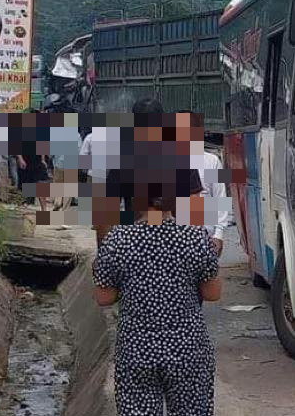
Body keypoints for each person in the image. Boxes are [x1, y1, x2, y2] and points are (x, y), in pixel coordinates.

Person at [92, 168, 221, 416]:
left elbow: (103, 297)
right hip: (188, 351)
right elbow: (213, 293)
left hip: (136, 351)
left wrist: (124, 284)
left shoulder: (118, 240)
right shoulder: (196, 237)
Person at [179, 109, 228, 255]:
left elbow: (221, 199)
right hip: (174, 240)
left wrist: (219, 235)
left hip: (206, 239)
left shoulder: (213, 161)